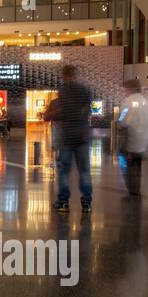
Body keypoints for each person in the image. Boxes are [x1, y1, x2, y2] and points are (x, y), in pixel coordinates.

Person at [49, 65, 93, 213]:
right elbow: (87, 111)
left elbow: (64, 112)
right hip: (82, 136)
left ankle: (63, 202)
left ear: (65, 75)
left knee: (64, 171)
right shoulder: (86, 91)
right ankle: (86, 203)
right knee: (85, 171)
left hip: (67, 137)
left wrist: (51, 115)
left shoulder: (64, 90)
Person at [120, 78, 148, 197]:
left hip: (131, 140)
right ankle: (136, 189)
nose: (124, 92)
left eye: (125, 90)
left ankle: (132, 190)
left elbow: (122, 121)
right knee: (137, 165)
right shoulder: (147, 102)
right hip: (143, 141)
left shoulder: (127, 102)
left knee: (128, 166)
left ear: (129, 89)